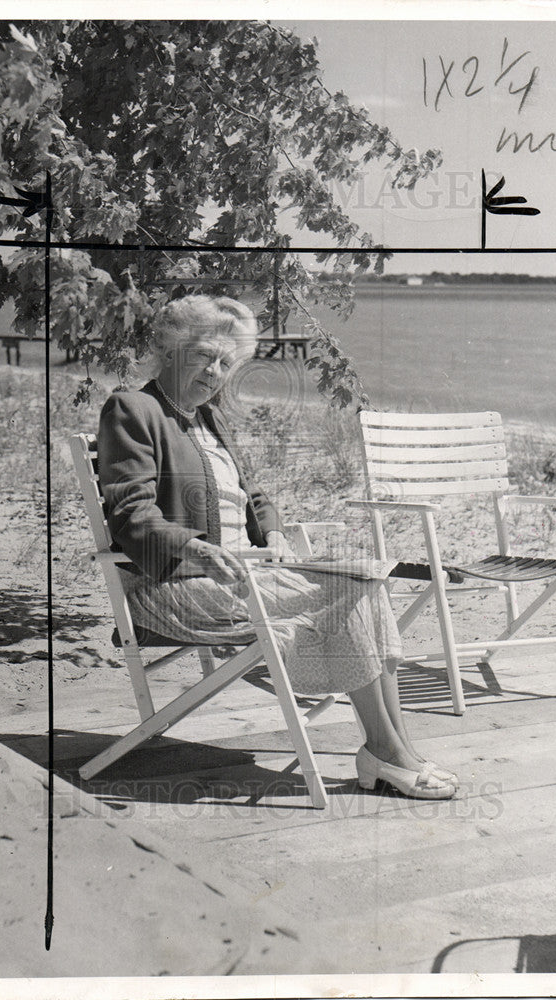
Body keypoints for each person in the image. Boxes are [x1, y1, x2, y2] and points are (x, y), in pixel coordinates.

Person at [97, 294, 458, 800]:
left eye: (227, 363)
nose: (215, 372)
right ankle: (387, 754)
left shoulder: (210, 418)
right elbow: (130, 514)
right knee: (350, 594)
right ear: (172, 349)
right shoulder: (133, 409)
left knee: (366, 578)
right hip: (176, 586)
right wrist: (196, 549)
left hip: (247, 575)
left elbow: (253, 494)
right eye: (204, 356)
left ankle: (397, 749)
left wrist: (273, 533)